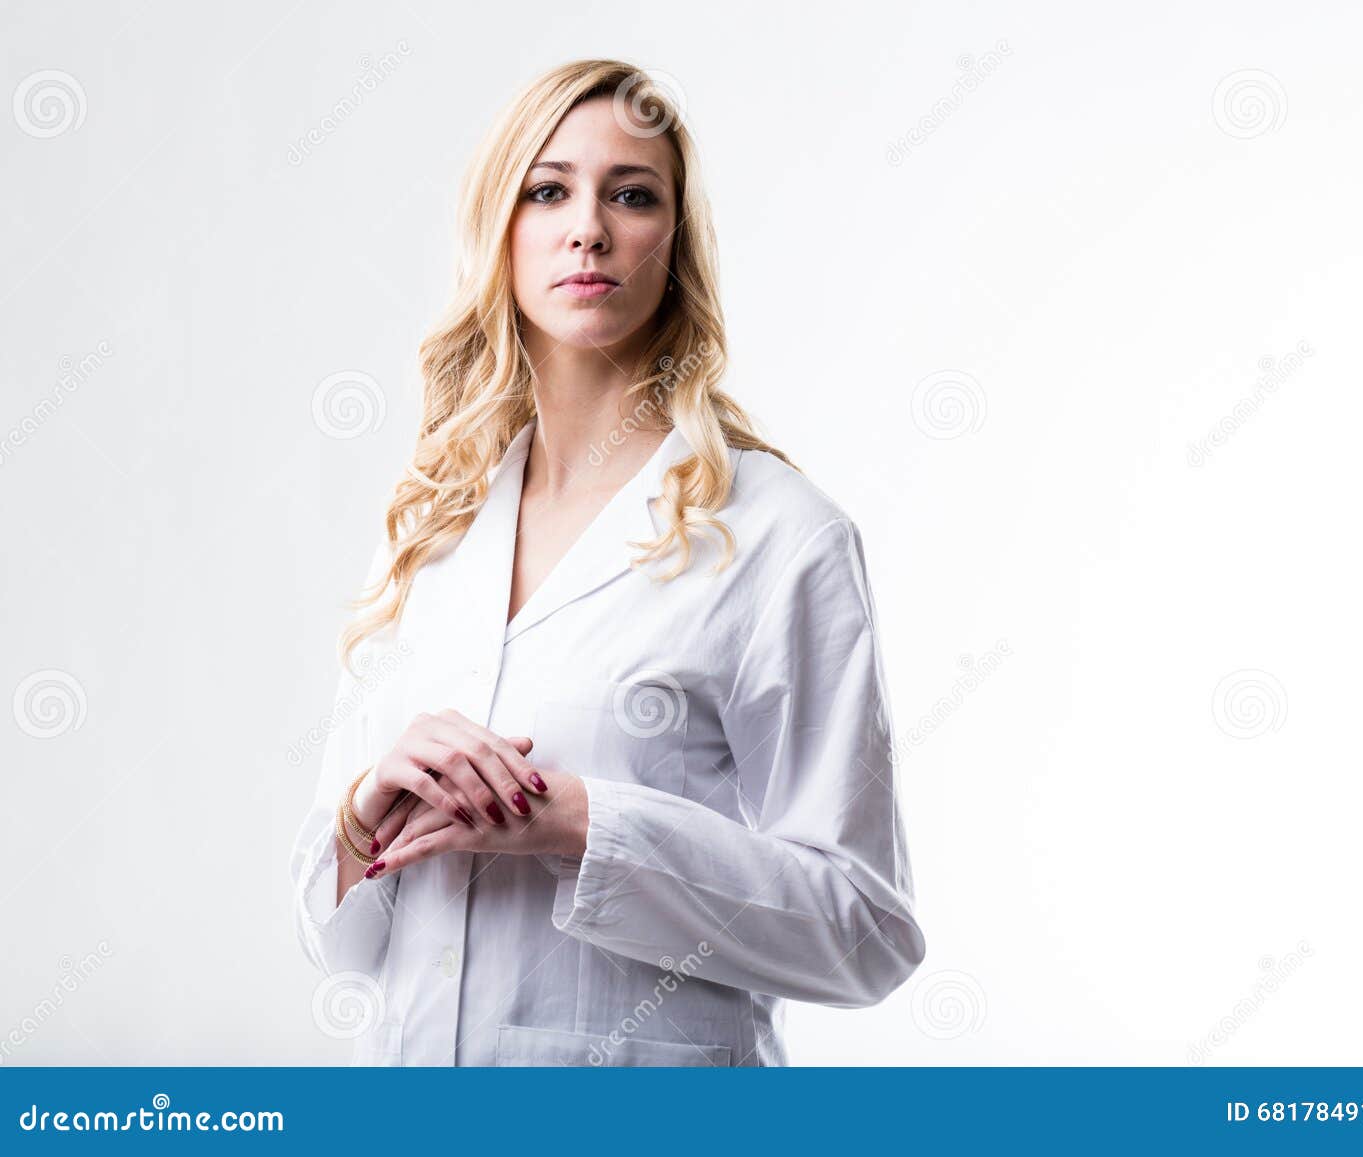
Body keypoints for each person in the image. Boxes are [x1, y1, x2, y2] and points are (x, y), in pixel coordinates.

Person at [287, 59, 925, 1066]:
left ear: (674, 242)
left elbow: (865, 930)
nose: (588, 226)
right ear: (502, 229)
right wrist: (366, 809)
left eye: (631, 194)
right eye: (548, 190)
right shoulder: (433, 526)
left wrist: (587, 824)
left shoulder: (776, 535)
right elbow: (339, 942)